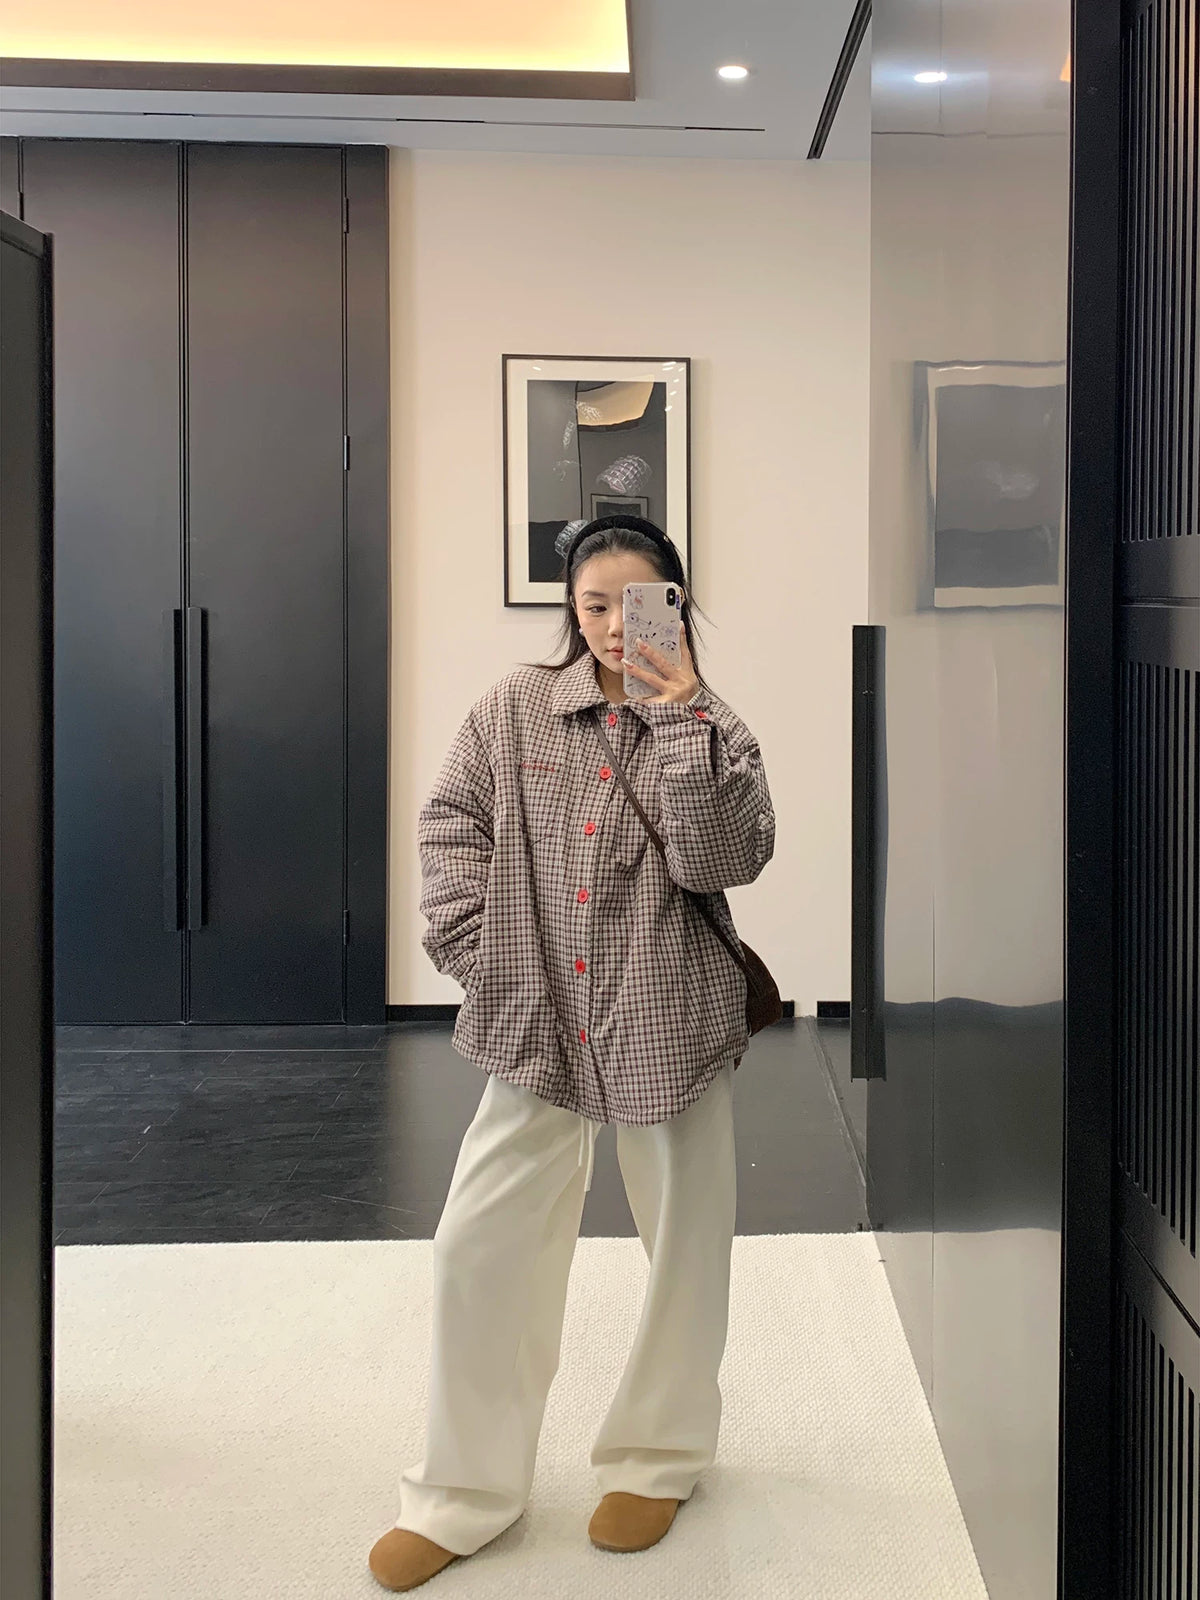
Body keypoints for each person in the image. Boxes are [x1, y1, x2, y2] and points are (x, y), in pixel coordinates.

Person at [368, 515, 776, 1591]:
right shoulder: (514, 707)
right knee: (477, 1243)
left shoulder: (714, 726)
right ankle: (463, 1491)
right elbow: (450, 822)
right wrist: (475, 946)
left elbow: (724, 858)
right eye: (594, 605)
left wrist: (679, 717)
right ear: (571, 608)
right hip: (538, 1009)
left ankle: (660, 1459)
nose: (611, 626)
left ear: (675, 604)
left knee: (686, 1244)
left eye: (636, 604)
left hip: (668, 1012)